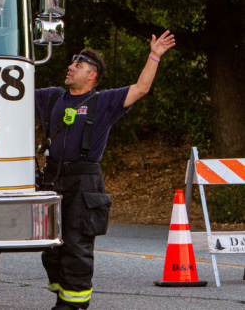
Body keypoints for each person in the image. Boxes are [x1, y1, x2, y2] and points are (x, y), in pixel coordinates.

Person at [35, 30, 176, 310]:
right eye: (72, 62)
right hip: (52, 179)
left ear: (91, 76)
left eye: (78, 65)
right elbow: (15, 92)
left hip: (84, 182)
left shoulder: (105, 102)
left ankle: (72, 305)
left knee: (76, 245)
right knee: (52, 248)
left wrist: (155, 55)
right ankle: (63, 294)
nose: (70, 66)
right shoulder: (51, 97)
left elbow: (141, 88)